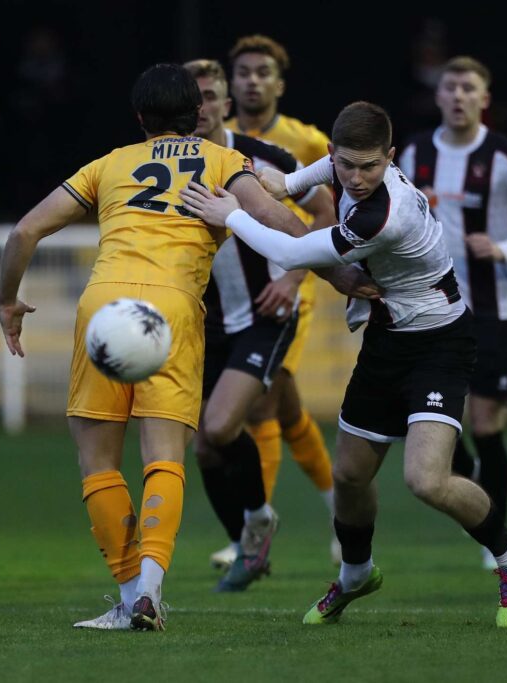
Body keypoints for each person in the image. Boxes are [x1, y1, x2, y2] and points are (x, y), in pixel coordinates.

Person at [0, 63, 371, 632]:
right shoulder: (221, 160)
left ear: (140, 118)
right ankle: (149, 591)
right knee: (164, 456)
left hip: (104, 307)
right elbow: (280, 220)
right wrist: (344, 277)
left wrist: (6, 301)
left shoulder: (111, 162)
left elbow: (25, 231)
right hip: (171, 310)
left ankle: (127, 599)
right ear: (198, 114)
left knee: (97, 463)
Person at [182, 101, 507, 629]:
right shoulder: (345, 167)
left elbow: (295, 252)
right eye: (346, 165)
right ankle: (356, 574)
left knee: (426, 479)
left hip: (439, 342)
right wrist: (264, 180)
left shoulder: (383, 215)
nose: (355, 178)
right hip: (387, 339)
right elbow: (288, 186)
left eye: (369, 166)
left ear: (390, 158)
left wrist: (230, 214)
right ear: (333, 153)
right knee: (349, 475)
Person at [398, 56, 507, 569]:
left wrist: (505, 249)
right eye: (451, 87)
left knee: (488, 420)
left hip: (491, 310)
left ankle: (499, 539)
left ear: (484, 97)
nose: (459, 96)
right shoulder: (414, 151)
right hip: (425, 305)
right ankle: (468, 493)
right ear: (440, 96)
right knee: (434, 422)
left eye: (469, 87)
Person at [183, 59, 335, 591]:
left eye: (208, 95)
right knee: (205, 447)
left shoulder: (266, 159)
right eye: (190, 97)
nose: (199, 107)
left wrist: (293, 279)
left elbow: (326, 210)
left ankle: (264, 527)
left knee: (223, 427)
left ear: (227, 103)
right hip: (207, 324)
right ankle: (253, 532)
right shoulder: (168, 165)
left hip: (265, 314)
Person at [223, 34, 343, 566]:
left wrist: (294, 276)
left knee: (262, 403)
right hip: (232, 292)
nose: (251, 79)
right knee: (288, 411)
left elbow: (330, 208)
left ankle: (252, 535)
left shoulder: (305, 141)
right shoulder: (207, 137)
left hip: (286, 286)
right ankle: (343, 508)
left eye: (261, 71)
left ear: (279, 83)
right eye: (243, 71)